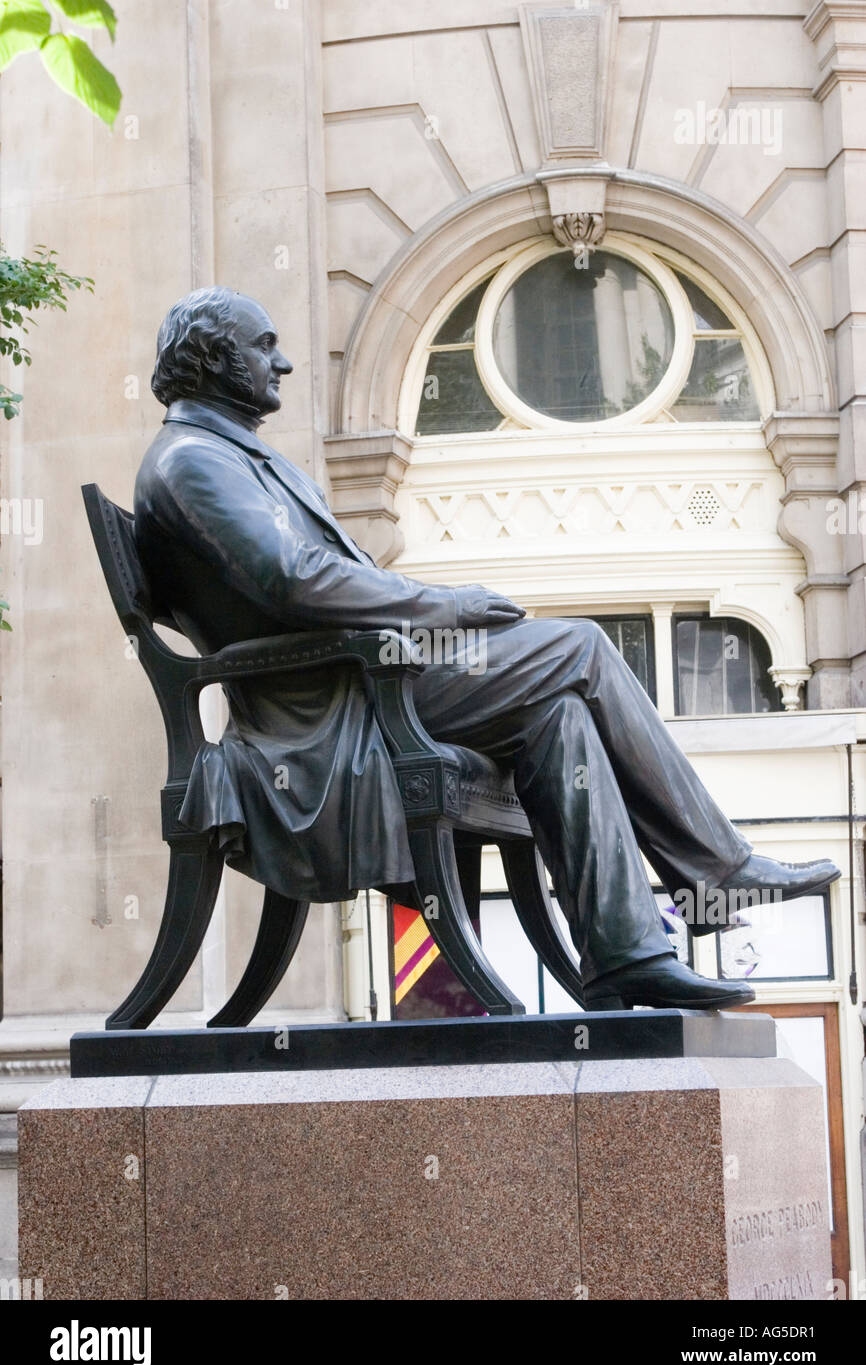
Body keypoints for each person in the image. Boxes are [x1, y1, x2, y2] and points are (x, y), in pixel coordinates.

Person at [134, 287, 840, 1012]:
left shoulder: (230, 456)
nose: (281, 363)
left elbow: (317, 582)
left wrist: (449, 619)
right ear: (213, 357)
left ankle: (627, 953)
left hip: (366, 684)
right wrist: (454, 606)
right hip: (326, 715)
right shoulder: (191, 462)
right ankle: (717, 874)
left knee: (558, 714)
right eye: (263, 345)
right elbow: (297, 579)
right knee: (583, 650)